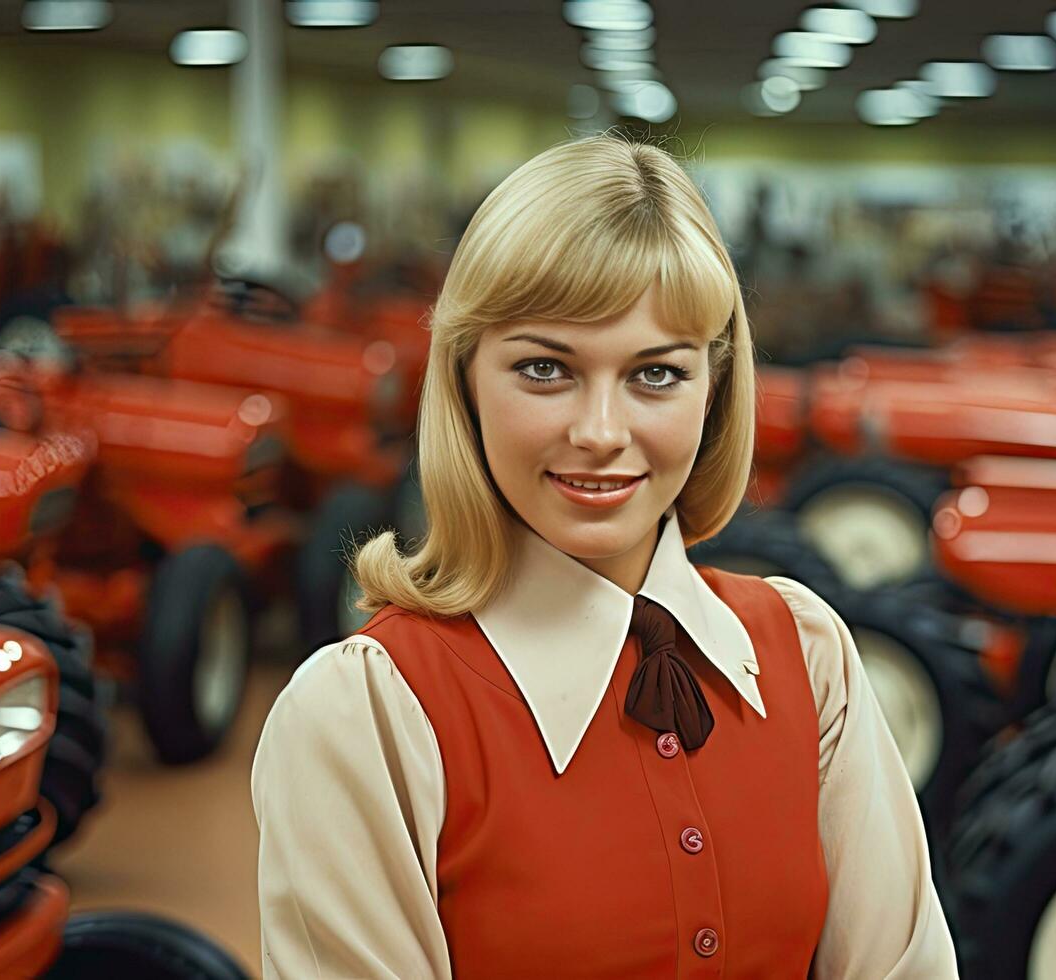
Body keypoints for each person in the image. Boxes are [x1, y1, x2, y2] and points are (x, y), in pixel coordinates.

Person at [252, 135, 957, 979]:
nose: (599, 434)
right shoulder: (366, 714)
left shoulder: (807, 657)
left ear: (714, 388)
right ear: (464, 382)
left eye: (655, 375)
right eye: (545, 368)